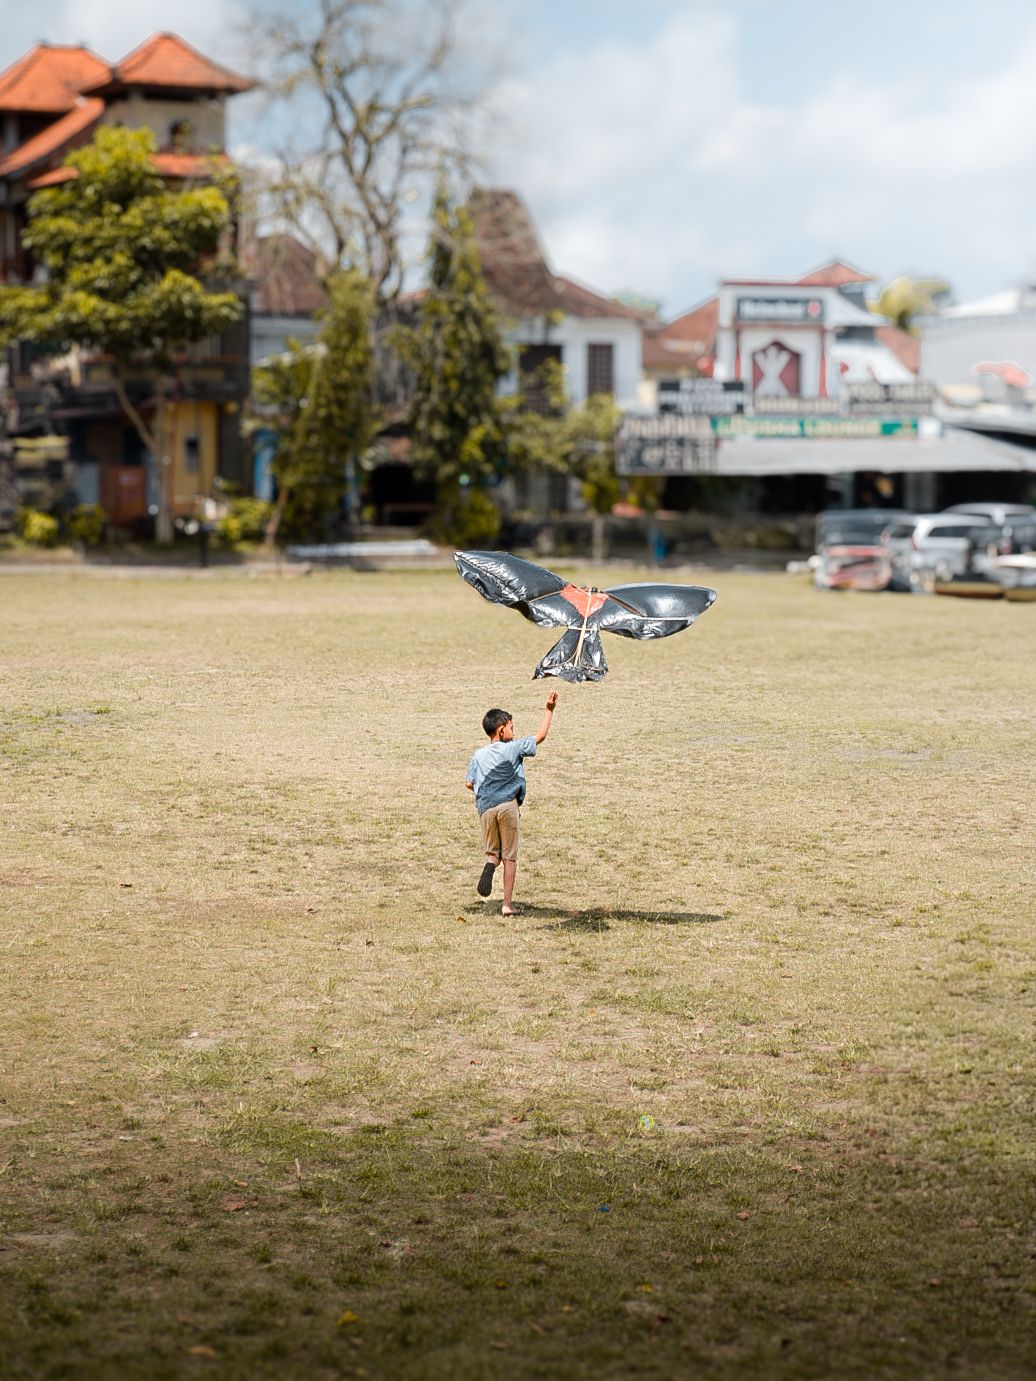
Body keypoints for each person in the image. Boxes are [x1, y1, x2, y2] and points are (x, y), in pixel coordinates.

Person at [466, 691, 559, 916]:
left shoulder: (478, 755)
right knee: (509, 857)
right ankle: (507, 905)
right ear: (501, 730)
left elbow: (469, 783)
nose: (513, 732)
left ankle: (490, 863)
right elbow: (540, 737)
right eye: (511, 727)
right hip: (508, 806)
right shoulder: (513, 747)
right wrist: (549, 710)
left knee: (493, 853)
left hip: (486, 808)